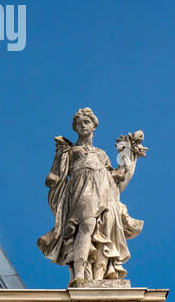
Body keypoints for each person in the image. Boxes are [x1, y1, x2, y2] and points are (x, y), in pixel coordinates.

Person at [37, 107, 144, 286]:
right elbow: (54, 176)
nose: (82, 126)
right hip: (81, 188)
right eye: (78, 124)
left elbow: (116, 175)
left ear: (94, 126)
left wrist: (128, 154)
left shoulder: (101, 153)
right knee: (86, 224)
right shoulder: (70, 150)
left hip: (104, 189)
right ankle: (79, 274)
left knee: (105, 230)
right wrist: (57, 163)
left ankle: (98, 276)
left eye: (85, 122)